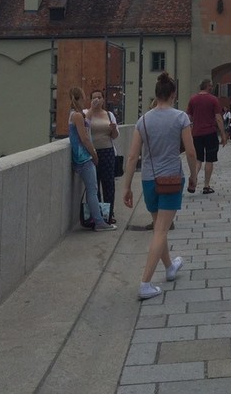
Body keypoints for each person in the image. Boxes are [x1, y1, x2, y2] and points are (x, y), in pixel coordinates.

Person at [122, 72, 199, 300]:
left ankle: (170, 268)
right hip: (172, 179)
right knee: (161, 230)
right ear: (173, 94)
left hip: (148, 179)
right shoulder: (180, 118)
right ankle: (145, 283)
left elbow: (132, 156)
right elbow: (191, 151)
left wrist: (126, 186)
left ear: (156, 95)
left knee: (158, 226)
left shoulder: (143, 120)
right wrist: (194, 175)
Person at [68, 87, 116, 232]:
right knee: (93, 190)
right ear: (81, 98)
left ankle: (100, 218)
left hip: (83, 157)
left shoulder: (75, 114)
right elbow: (85, 138)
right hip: (84, 158)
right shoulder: (77, 115)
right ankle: (99, 222)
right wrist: (94, 155)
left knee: (94, 189)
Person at [186, 78, 228, 194]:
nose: (212, 87)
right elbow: (218, 118)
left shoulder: (193, 99)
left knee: (198, 159)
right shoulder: (213, 99)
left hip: (196, 133)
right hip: (210, 133)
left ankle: (193, 180)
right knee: (210, 159)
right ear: (206, 86)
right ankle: (206, 185)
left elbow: (188, 117)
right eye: (211, 86)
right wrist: (223, 134)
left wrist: (188, 130)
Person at [86, 89, 119, 224]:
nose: (97, 100)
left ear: (103, 99)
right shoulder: (87, 114)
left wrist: (113, 129)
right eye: (94, 98)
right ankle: (98, 213)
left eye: (99, 97)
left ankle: (109, 213)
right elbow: (84, 126)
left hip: (108, 152)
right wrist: (91, 109)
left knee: (108, 183)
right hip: (92, 153)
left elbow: (115, 136)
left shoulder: (109, 115)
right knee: (94, 184)